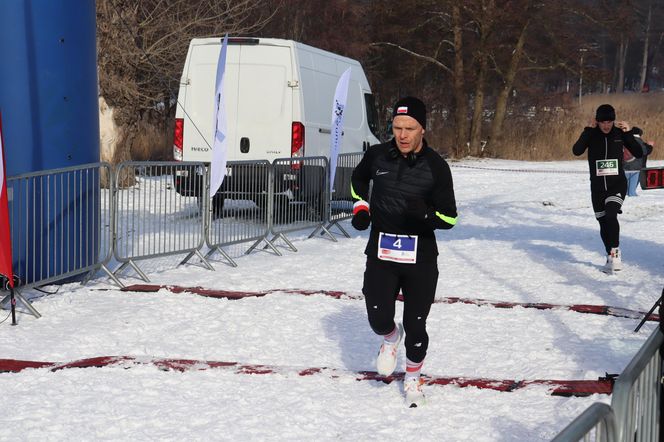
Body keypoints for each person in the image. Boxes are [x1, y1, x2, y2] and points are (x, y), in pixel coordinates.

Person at [350, 96, 458, 407]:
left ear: (423, 128)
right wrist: (361, 207)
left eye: (409, 128)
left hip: (420, 258)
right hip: (382, 253)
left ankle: (413, 378)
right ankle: (389, 338)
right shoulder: (377, 156)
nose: (403, 135)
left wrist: (425, 214)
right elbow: (357, 181)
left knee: (416, 325)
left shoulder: (436, 167)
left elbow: (450, 217)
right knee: (378, 317)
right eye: (397, 127)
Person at [572, 104, 644, 273]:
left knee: (611, 215)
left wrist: (628, 134)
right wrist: (586, 131)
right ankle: (609, 255)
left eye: (609, 121)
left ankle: (616, 252)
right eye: (603, 122)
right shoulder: (591, 134)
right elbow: (576, 151)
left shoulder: (620, 134)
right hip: (597, 188)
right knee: (603, 222)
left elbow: (639, 153)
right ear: (597, 122)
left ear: (614, 121)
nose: (606, 125)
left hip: (616, 185)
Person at [623, 127, 654, 197]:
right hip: (636, 168)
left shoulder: (624, 140)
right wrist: (650, 146)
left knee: (626, 190)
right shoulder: (639, 141)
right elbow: (645, 151)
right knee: (631, 192)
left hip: (625, 167)